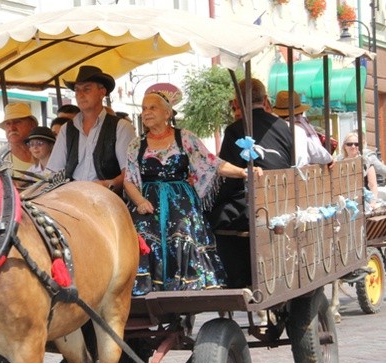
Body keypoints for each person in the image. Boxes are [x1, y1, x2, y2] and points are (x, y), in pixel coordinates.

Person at [124, 91, 261, 294]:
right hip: (148, 203)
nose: (146, 113)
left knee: (183, 232)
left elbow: (213, 163)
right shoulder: (136, 144)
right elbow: (129, 180)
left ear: (167, 113)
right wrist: (140, 201)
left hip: (180, 201)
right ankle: (145, 289)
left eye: (152, 108)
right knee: (141, 236)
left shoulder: (185, 138)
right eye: (144, 109)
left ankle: (183, 289)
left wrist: (242, 172)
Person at [207, 78, 294, 290]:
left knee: (215, 218)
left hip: (253, 203)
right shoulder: (284, 127)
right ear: (265, 100)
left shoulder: (235, 129)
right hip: (283, 199)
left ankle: (236, 278)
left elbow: (229, 174)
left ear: (237, 103)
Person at [46, 65, 135, 191]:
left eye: (86, 89)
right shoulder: (67, 129)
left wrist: (108, 184)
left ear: (102, 92)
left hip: (108, 198)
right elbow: (54, 171)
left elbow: (130, 173)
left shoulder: (121, 127)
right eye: (77, 90)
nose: (80, 95)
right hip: (72, 196)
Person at [271, 90, 333, 168]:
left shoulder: (274, 127)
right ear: (300, 111)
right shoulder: (299, 128)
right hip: (305, 172)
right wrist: (329, 159)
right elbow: (315, 151)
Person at [0, 102, 37, 183]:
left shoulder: (45, 152)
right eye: (8, 124)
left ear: (32, 125)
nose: (12, 128)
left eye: (17, 122)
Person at [340, 131, 378, 209]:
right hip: (345, 203)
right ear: (344, 146)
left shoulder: (366, 162)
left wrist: (373, 202)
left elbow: (373, 185)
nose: (353, 146)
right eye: (349, 144)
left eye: (356, 144)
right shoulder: (339, 163)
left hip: (363, 203)